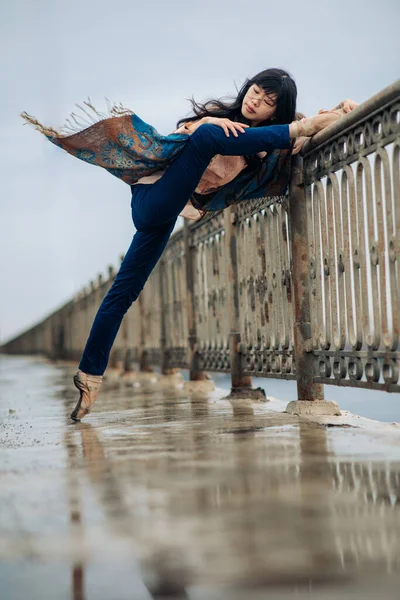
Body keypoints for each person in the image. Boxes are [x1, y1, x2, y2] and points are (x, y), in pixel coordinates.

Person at [22, 68, 358, 420]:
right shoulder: (217, 121)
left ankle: (90, 377)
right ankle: (91, 373)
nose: (255, 101)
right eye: (255, 91)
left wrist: (340, 107)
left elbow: (310, 128)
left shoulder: (268, 144)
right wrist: (201, 126)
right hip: (153, 196)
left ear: (276, 112)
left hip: (168, 213)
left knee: (124, 292)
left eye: (267, 101)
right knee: (210, 134)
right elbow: (180, 141)